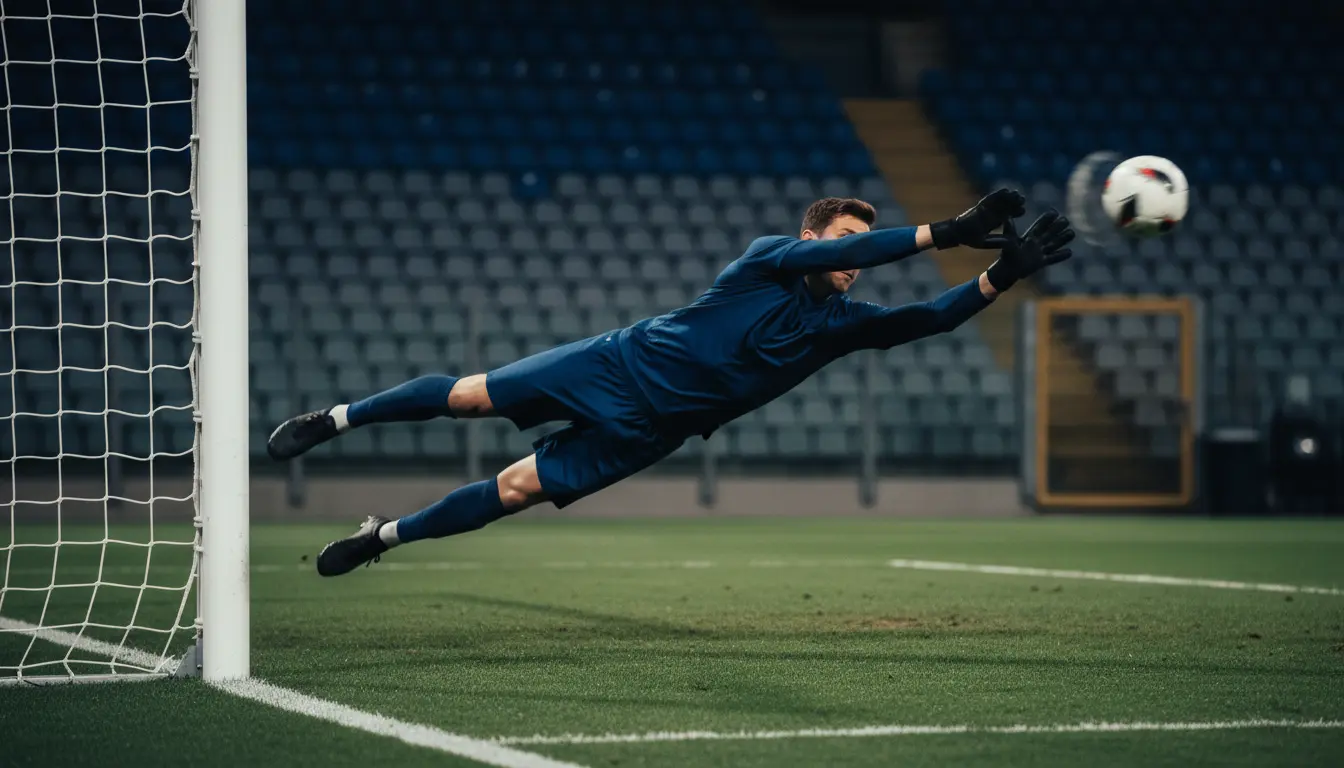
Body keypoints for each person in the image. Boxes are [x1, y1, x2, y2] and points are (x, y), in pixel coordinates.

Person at [267, 190, 1075, 576]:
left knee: (514, 489)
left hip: (648, 431)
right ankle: (334, 419)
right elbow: (849, 253)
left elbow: (925, 319)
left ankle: (381, 538)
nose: (852, 259)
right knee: (467, 396)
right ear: (810, 237)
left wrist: (1000, 274)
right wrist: (945, 231)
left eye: (860, 246)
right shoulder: (768, 260)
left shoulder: (839, 327)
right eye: (841, 238)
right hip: (616, 364)